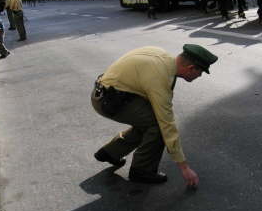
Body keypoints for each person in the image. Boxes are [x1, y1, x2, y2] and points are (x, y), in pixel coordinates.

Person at [92, 44, 218, 187]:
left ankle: (110, 153)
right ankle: (142, 171)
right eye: (200, 72)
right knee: (158, 125)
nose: (200, 76)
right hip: (109, 102)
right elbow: (167, 123)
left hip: (108, 93)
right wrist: (184, 167)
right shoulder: (160, 77)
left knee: (149, 121)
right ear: (191, 68)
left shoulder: (162, 57)